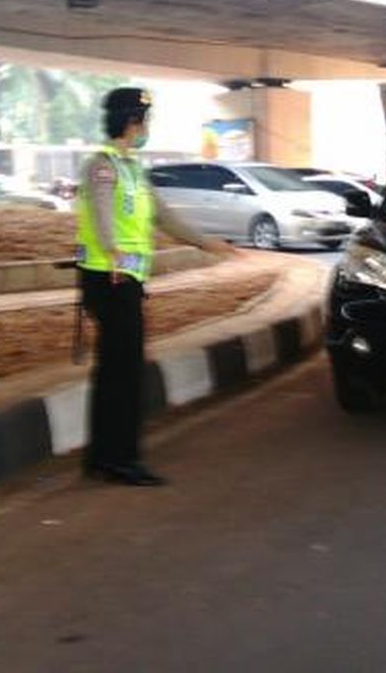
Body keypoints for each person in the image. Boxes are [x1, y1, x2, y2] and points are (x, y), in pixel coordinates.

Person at [76, 87, 235, 487]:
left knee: (114, 370)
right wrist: (113, 252)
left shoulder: (132, 169)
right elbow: (101, 214)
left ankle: (102, 457)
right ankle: (121, 460)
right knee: (124, 372)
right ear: (133, 122)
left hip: (124, 280)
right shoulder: (103, 166)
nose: (146, 127)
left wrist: (206, 242)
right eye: (145, 120)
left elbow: (163, 218)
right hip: (110, 279)